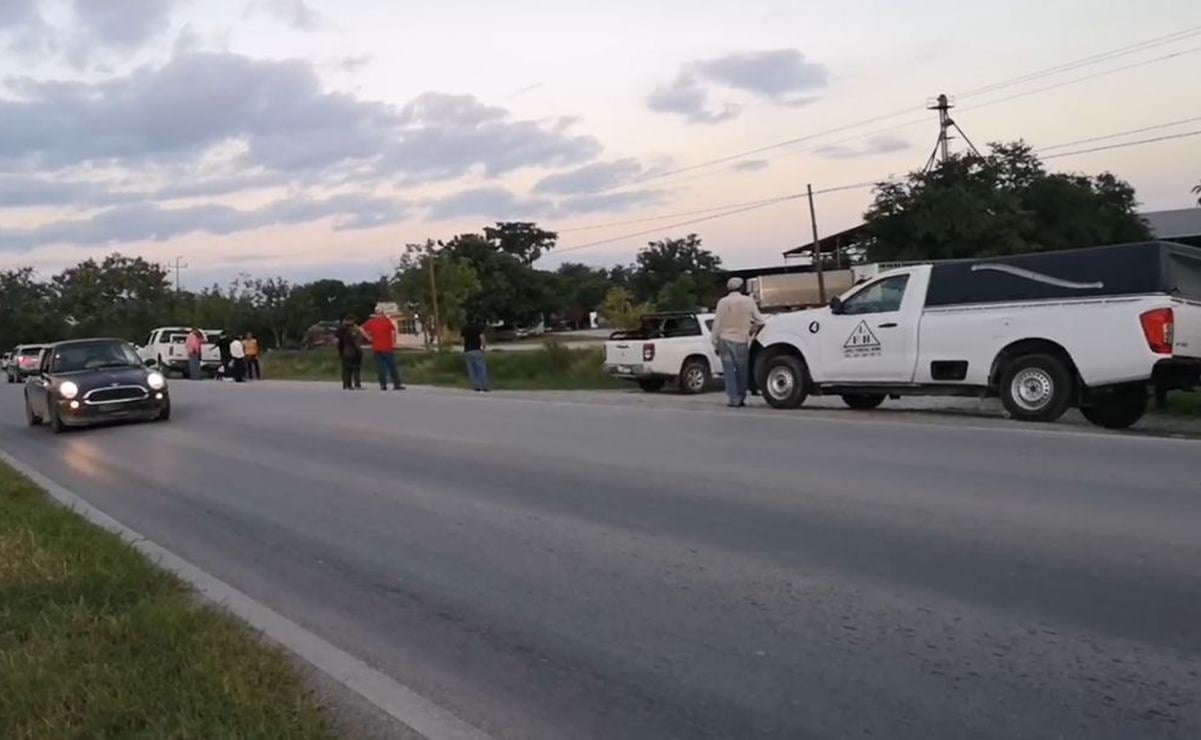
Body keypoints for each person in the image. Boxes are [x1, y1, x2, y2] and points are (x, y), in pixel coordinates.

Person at [711, 277, 766, 408]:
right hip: (741, 340)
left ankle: (733, 399)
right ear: (741, 288)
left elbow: (717, 323)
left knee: (729, 371)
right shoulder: (748, 301)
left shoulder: (722, 302)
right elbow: (760, 321)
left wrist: (714, 341)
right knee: (742, 370)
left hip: (724, 339)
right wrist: (752, 331)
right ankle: (741, 397)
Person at [361, 306, 404, 390]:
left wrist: (368, 337)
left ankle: (383, 385)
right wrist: (394, 342)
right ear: (382, 313)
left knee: (380, 367)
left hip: (376, 348)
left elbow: (361, 328)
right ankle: (396, 384)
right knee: (392, 366)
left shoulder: (371, 322)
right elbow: (393, 331)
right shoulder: (386, 321)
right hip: (387, 347)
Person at [336, 315, 365, 390]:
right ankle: (356, 384)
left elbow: (338, 341)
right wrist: (360, 352)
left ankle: (346, 384)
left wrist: (340, 351)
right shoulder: (353, 329)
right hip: (353, 350)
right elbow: (356, 342)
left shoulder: (340, 329)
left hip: (344, 351)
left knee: (346, 369)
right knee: (355, 368)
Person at [461, 318, 489, 392]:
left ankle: (476, 386)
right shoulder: (478, 328)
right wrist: (483, 347)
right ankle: (484, 386)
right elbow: (482, 337)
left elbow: (462, 340)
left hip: (468, 350)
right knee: (481, 368)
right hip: (476, 349)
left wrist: (464, 348)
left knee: (471, 369)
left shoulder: (465, 328)